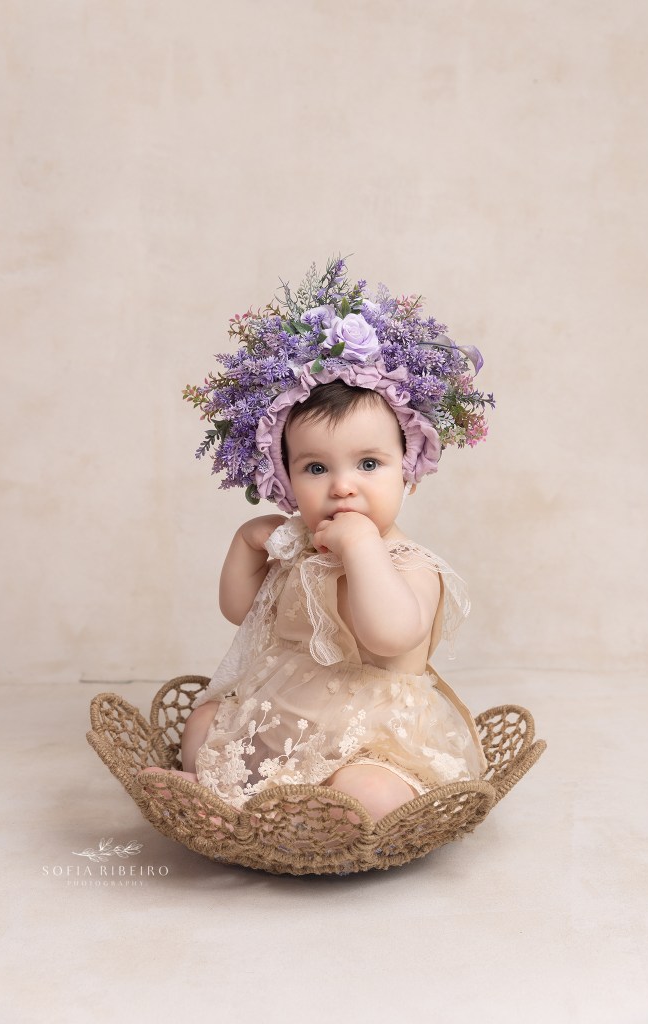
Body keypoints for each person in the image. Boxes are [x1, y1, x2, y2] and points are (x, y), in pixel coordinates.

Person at [140, 256, 494, 822]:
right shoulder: (299, 548)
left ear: (408, 467)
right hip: (287, 716)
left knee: (368, 791)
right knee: (204, 722)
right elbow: (240, 610)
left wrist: (362, 548)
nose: (342, 486)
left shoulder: (411, 565)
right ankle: (220, 791)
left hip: (373, 737)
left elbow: (390, 635)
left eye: (369, 463)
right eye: (315, 468)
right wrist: (246, 544)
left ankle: (299, 818)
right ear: (284, 479)